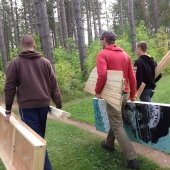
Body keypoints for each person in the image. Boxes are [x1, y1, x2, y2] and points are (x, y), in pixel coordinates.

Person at [4, 35, 62, 170]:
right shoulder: (45, 62)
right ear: (34, 44)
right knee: (38, 139)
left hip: (28, 108)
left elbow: (9, 88)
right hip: (43, 106)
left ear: (21, 45)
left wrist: (8, 110)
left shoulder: (15, 63)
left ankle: (44, 167)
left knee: (36, 141)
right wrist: (58, 104)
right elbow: (54, 86)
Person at [95, 31, 139, 169]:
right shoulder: (125, 55)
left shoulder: (102, 54)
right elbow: (132, 77)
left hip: (113, 95)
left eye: (101, 39)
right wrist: (132, 95)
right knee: (116, 121)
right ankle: (109, 144)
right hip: (125, 93)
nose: (101, 41)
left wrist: (97, 91)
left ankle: (132, 159)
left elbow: (102, 75)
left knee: (117, 124)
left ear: (106, 39)